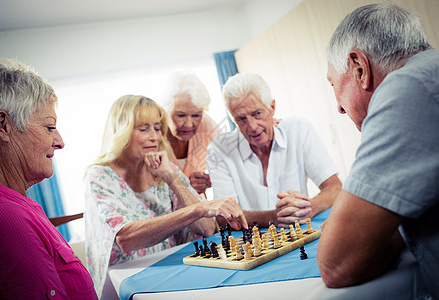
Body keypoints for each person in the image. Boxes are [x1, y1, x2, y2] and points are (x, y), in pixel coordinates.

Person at [317, 3, 439, 298]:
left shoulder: (407, 90)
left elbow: (337, 263)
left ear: (359, 68)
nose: (339, 107)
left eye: (334, 84)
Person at [85, 95, 247, 297]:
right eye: (143, 129)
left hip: (170, 271)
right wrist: (198, 209)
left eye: (157, 127)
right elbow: (126, 239)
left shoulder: (165, 168)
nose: (154, 136)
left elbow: (206, 228)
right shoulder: (99, 176)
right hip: (125, 283)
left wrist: (171, 177)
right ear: (122, 131)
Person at [0, 58, 97, 299]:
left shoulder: (16, 205)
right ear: (3, 126)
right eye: (49, 128)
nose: (59, 142)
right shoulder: (3, 216)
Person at [207, 73, 342, 228]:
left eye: (257, 114)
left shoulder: (298, 130)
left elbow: (335, 188)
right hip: (253, 245)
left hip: (300, 233)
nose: (252, 126)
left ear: (272, 107)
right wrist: (274, 218)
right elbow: (224, 217)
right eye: (241, 119)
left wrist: (307, 209)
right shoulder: (218, 150)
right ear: (233, 119)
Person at [159, 70, 221, 195]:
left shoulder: (207, 125)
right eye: (181, 115)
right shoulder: (153, 133)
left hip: (199, 207)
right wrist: (184, 186)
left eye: (196, 115)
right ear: (166, 110)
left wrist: (208, 180)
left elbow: (232, 155)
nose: (188, 124)